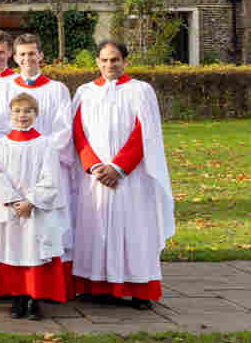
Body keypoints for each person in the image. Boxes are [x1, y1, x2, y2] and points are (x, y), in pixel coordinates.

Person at [70, 41, 173, 310]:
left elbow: (144, 133)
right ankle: (98, 286)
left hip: (131, 177)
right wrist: (93, 166)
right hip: (94, 178)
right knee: (96, 230)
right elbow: (77, 132)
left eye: (114, 60)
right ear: (97, 62)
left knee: (133, 230)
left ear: (125, 60)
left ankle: (139, 289)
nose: (109, 65)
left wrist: (118, 167)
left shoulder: (140, 91)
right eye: (104, 60)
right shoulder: (85, 92)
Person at [0, 34, 76, 280]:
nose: (27, 59)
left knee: (44, 229)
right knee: (15, 233)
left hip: (46, 167)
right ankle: (15, 286)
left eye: (32, 53)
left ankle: (43, 285)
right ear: (14, 57)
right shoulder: (5, 87)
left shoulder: (57, 89)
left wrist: (41, 150)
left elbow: (64, 129)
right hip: (13, 169)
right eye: (22, 54)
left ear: (40, 55)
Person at [0, 93, 71, 321]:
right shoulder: (1, 144)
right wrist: (13, 201)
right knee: (12, 251)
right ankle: (17, 298)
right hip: (10, 209)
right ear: (10, 114)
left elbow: (51, 178)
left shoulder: (45, 144)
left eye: (28, 111)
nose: (22, 116)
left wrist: (31, 201)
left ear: (36, 114)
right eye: (18, 111)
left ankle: (35, 299)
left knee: (34, 253)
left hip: (36, 209)